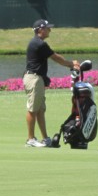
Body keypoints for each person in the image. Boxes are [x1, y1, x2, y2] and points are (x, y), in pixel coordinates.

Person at [24, 19, 79, 147]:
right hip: (34, 79)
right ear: (40, 30)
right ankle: (30, 139)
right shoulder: (39, 44)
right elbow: (56, 57)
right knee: (32, 109)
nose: (50, 30)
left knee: (40, 110)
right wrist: (72, 64)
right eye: (47, 28)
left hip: (37, 79)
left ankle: (45, 139)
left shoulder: (38, 43)